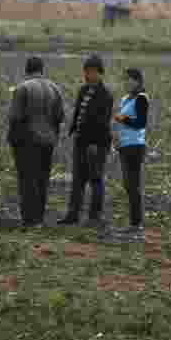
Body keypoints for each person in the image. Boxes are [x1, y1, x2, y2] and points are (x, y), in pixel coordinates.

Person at [7, 56, 65, 228]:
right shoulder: (55, 88)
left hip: (27, 141)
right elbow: (60, 116)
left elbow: (15, 117)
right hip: (48, 142)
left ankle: (29, 220)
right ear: (42, 69)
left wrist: (14, 139)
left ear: (27, 70)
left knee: (27, 180)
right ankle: (39, 218)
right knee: (42, 179)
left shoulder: (22, 88)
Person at [59, 55, 115, 228]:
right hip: (81, 142)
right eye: (86, 71)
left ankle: (94, 217)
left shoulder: (105, 95)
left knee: (96, 179)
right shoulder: (83, 90)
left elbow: (102, 122)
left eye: (90, 72)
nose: (87, 75)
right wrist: (72, 131)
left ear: (99, 73)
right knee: (78, 180)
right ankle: (72, 215)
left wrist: (94, 144)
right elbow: (78, 114)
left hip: (97, 144)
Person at [112, 67, 149, 235]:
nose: (127, 82)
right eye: (125, 79)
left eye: (130, 79)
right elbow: (118, 120)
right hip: (123, 146)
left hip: (135, 146)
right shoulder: (125, 99)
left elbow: (140, 123)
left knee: (133, 185)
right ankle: (134, 222)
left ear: (138, 81)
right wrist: (116, 137)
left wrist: (122, 118)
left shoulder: (142, 99)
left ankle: (136, 224)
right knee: (128, 185)